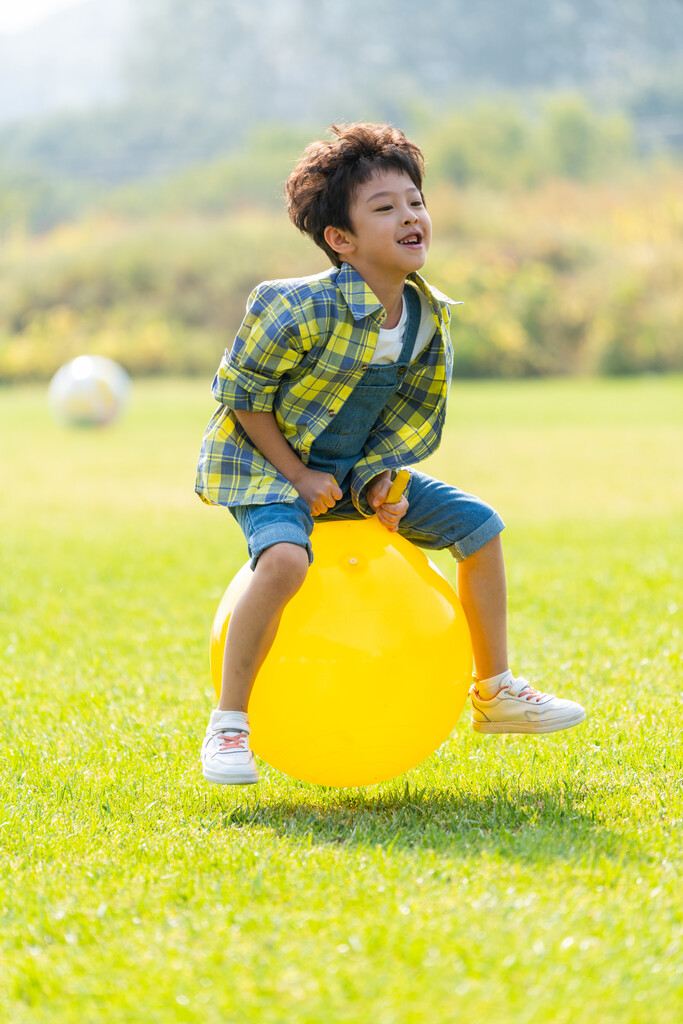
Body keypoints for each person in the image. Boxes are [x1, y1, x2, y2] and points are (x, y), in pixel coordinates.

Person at [195, 122, 586, 785]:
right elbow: (240, 395)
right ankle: (229, 724)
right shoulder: (292, 306)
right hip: (267, 470)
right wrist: (296, 473)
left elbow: (399, 421)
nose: (410, 216)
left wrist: (382, 481)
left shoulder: (425, 317)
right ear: (340, 240)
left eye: (414, 201)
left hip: (349, 472)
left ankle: (493, 691)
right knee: (287, 559)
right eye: (384, 208)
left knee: (478, 526)